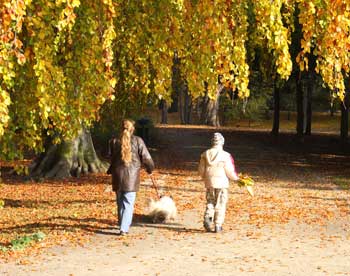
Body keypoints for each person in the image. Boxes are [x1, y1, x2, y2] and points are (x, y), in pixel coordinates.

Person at [108, 119, 154, 235]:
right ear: (132, 129)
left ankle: (122, 224)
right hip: (132, 178)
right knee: (128, 203)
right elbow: (147, 158)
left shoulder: (114, 141)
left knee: (120, 202)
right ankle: (124, 228)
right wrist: (150, 169)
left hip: (117, 176)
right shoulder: (138, 141)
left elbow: (105, 154)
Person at [198, 132, 239, 233]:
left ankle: (208, 217)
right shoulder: (226, 156)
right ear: (222, 143)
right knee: (221, 203)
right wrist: (237, 179)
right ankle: (218, 225)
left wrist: (205, 177)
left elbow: (200, 170)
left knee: (210, 201)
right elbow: (229, 171)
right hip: (222, 183)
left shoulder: (205, 155)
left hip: (209, 183)